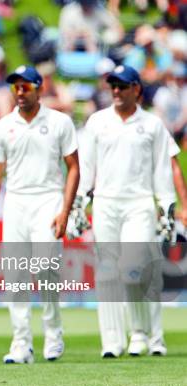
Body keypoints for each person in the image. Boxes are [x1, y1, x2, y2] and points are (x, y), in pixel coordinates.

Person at [0, 65, 80, 364]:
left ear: (39, 87)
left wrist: (65, 210)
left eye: (25, 87)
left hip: (49, 198)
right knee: (16, 275)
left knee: (47, 269)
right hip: (17, 202)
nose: (20, 92)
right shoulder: (2, 127)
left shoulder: (59, 122)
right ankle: (21, 343)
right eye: (15, 87)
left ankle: (53, 333)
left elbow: (73, 167)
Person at [76, 65, 175, 358]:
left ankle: (141, 333)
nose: (116, 91)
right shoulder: (97, 122)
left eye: (122, 86)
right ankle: (112, 341)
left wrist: (167, 206)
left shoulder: (153, 125)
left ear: (136, 89)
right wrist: (80, 201)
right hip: (106, 203)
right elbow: (86, 168)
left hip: (139, 204)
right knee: (107, 273)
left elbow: (162, 169)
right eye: (113, 86)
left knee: (133, 270)